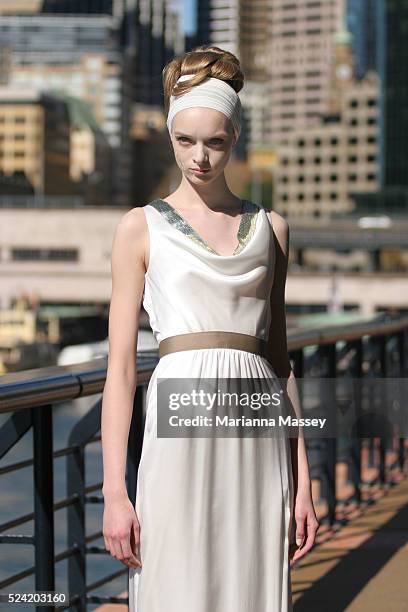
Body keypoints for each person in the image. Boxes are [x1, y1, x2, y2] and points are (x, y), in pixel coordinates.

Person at [101, 45, 319, 611]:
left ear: (235, 138)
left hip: (258, 440)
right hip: (177, 438)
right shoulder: (139, 227)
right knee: (176, 583)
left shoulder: (272, 228)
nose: (199, 157)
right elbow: (120, 371)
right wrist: (114, 494)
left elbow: (279, 362)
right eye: (185, 140)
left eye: (215, 142)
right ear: (171, 135)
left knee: (248, 585)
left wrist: (304, 482)